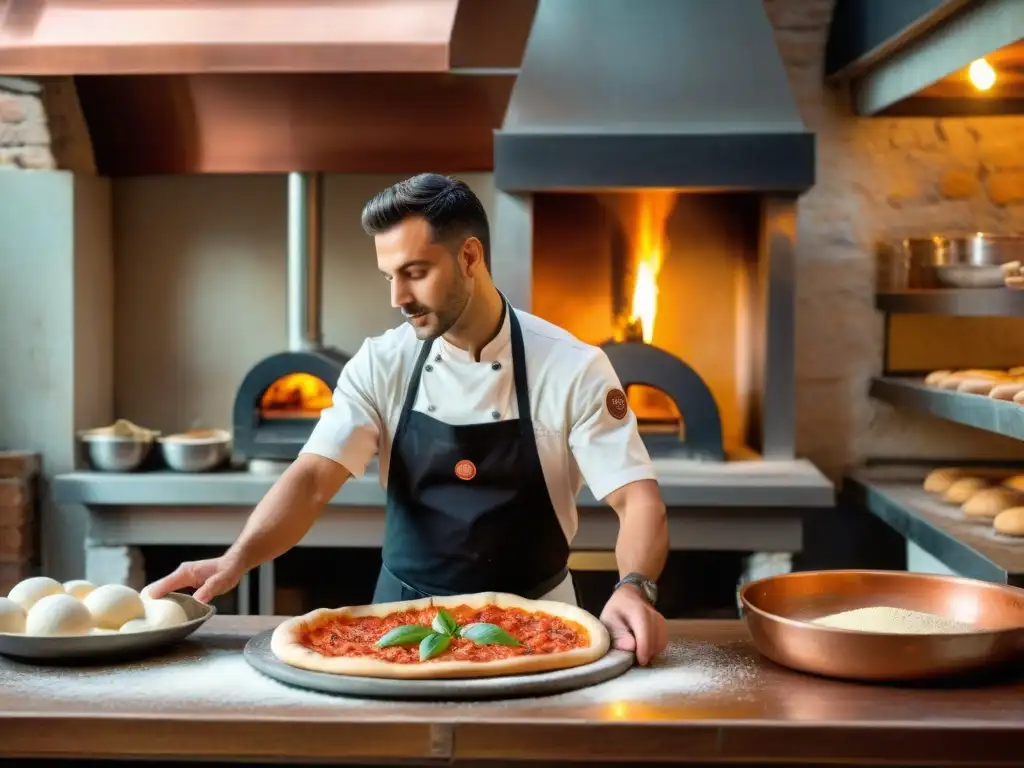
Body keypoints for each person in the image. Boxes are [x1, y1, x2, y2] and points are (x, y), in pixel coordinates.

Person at [148, 173, 670, 665]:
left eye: (415, 273)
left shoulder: (571, 366)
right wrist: (235, 559)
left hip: (541, 621)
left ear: (470, 256)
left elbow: (637, 498)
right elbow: (310, 481)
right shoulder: (382, 362)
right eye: (389, 277)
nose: (398, 297)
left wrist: (634, 586)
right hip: (399, 625)